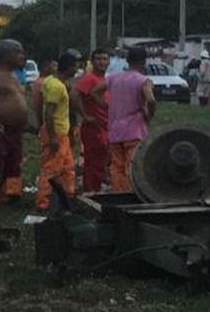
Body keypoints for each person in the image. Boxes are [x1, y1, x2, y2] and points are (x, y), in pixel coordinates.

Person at [96, 46, 156, 193]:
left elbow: (95, 91)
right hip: (134, 131)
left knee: (116, 166)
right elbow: (151, 99)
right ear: (143, 62)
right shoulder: (143, 81)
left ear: (127, 61)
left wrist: (108, 105)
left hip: (115, 130)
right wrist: (149, 114)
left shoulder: (113, 78)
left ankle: (118, 192)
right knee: (132, 165)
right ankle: (130, 193)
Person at [0, 40, 29, 250]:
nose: (23, 56)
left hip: (13, 134)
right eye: (19, 52)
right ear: (5, 54)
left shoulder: (14, 76)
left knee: (3, 177)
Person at [34, 52, 78, 211]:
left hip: (62, 132)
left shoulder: (54, 81)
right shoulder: (55, 86)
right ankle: (44, 202)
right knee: (51, 168)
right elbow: (49, 113)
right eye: (76, 67)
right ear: (70, 67)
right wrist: (52, 137)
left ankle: (67, 197)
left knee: (67, 167)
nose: (77, 71)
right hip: (56, 132)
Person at [74, 49, 110, 194]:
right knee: (93, 162)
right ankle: (90, 192)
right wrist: (84, 115)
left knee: (101, 162)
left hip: (105, 125)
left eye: (105, 59)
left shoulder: (105, 79)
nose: (102, 62)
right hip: (93, 127)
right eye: (98, 59)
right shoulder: (90, 78)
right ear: (92, 62)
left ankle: (96, 189)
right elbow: (74, 94)